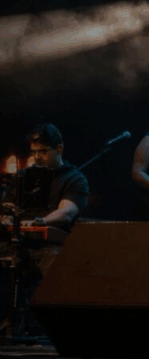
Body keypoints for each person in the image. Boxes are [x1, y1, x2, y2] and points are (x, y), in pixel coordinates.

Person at [1, 124, 89, 335]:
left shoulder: (74, 178)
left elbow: (66, 212)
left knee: (56, 270)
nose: (37, 157)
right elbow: (6, 210)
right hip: (16, 241)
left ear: (59, 149)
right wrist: (7, 221)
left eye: (43, 151)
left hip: (49, 244)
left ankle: (52, 329)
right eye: (34, 152)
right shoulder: (22, 177)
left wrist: (39, 222)